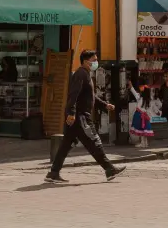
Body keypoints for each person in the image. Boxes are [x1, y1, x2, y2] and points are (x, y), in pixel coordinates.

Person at [45, 50, 126, 183]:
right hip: (80, 116)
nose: (96, 62)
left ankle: (53, 173)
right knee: (94, 140)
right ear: (85, 61)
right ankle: (109, 169)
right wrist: (71, 112)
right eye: (93, 60)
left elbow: (90, 96)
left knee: (66, 145)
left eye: (96, 60)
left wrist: (105, 104)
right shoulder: (81, 74)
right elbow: (73, 94)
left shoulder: (86, 74)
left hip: (78, 116)